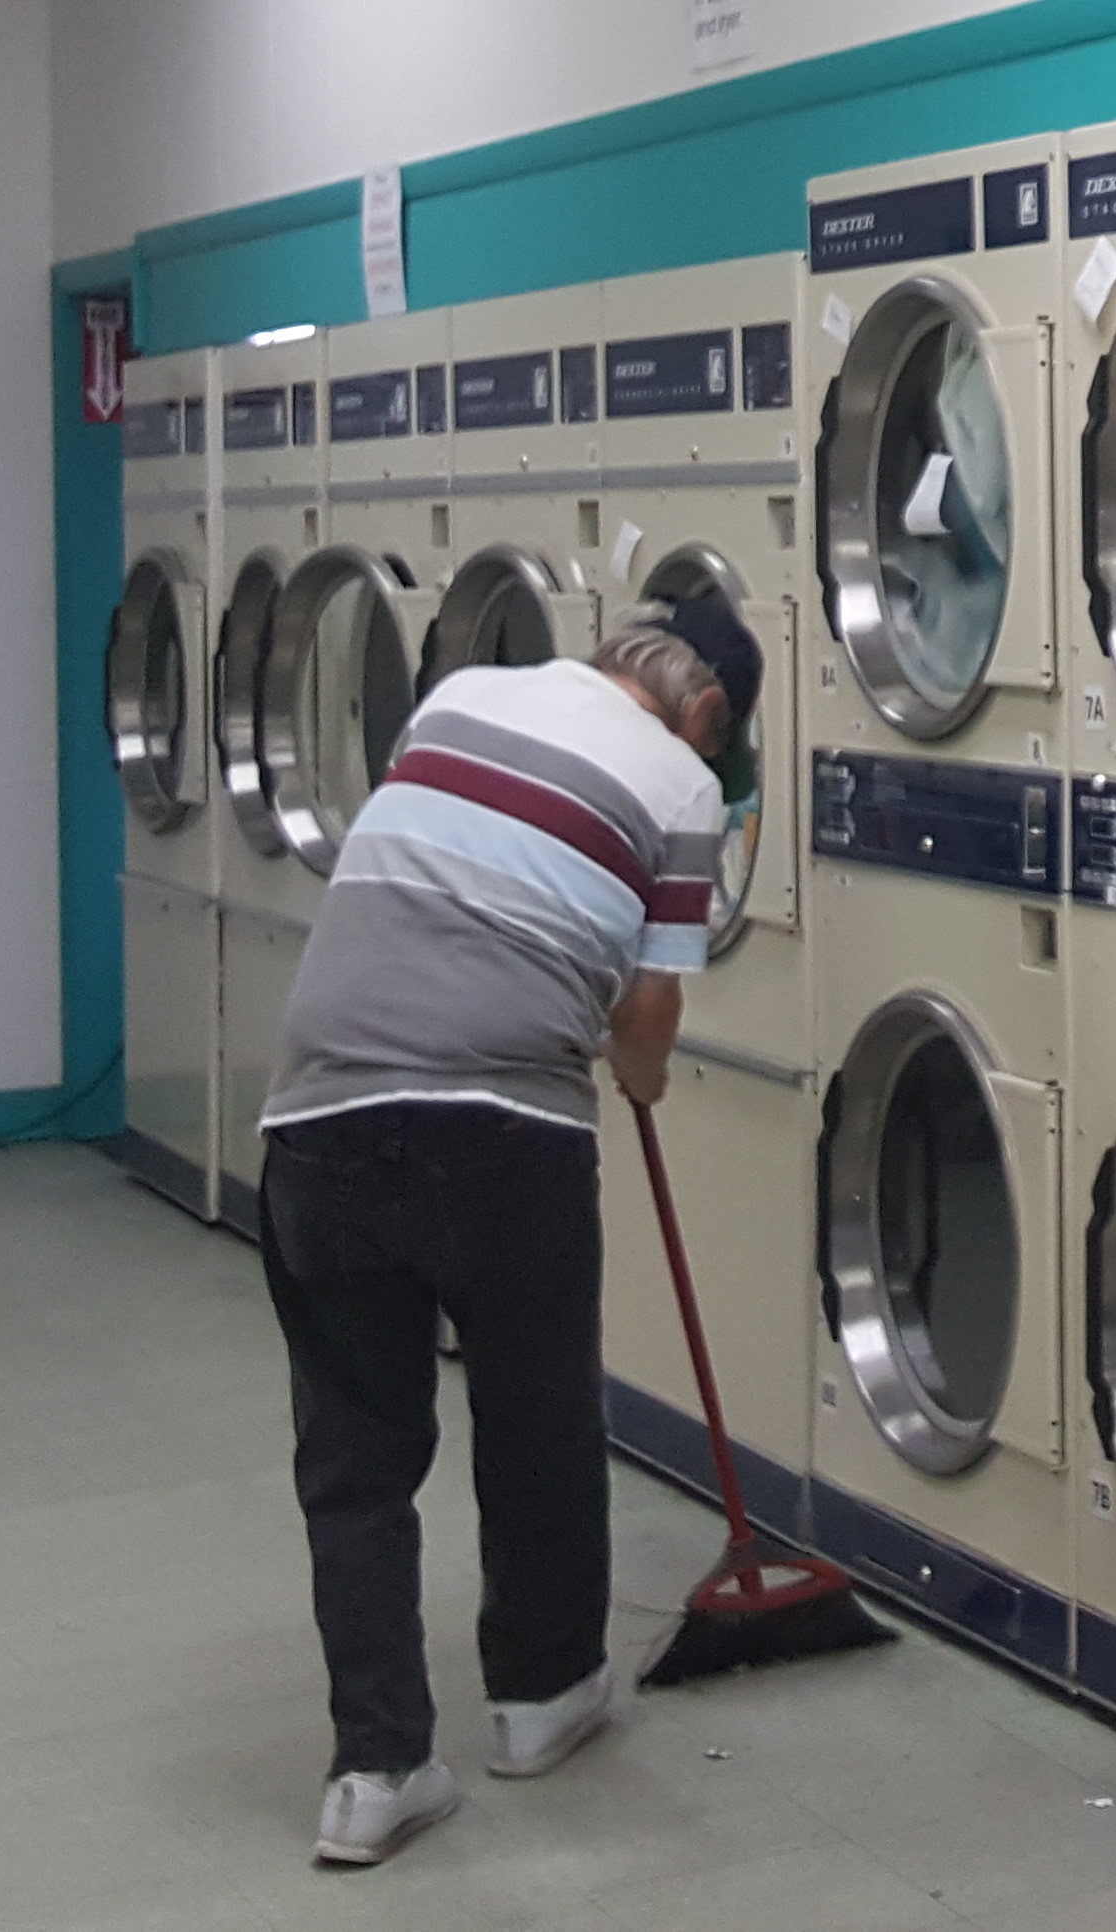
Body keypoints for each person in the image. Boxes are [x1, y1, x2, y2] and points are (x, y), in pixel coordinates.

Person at [252, 590, 761, 1868]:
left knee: (354, 1459)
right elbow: (642, 1017)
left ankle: (374, 1773)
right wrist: (640, 1077)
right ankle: (540, 1702)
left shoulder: (457, 697)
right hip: (503, 1131)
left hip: (317, 1113)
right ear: (702, 711)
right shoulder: (684, 788)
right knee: (534, 1420)